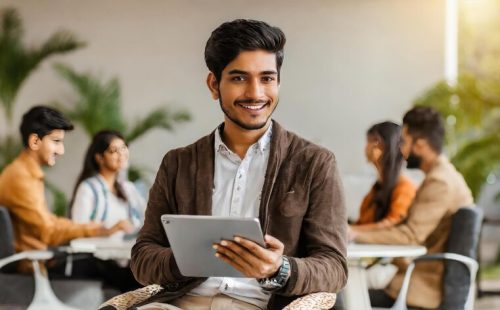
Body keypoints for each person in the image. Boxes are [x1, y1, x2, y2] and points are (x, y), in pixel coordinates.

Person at [130, 19, 347, 310]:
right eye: (238, 78)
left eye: (267, 78)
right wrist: (186, 258)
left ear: (279, 82)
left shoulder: (314, 163)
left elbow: (334, 266)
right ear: (213, 84)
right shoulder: (179, 163)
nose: (256, 93)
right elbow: (142, 256)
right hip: (179, 303)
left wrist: (279, 269)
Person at [350, 106, 474, 309]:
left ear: (421, 144)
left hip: (425, 288)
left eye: (404, 142)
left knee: (344, 299)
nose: (400, 149)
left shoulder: (440, 182)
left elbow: (410, 236)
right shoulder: (442, 175)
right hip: (423, 277)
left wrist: (354, 234)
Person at [0, 106, 125, 273]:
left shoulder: (26, 173)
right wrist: (96, 229)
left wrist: (93, 227)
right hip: (35, 268)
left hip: (42, 261)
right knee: (120, 272)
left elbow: (49, 222)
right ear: (35, 141)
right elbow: (49, 232)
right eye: (56, 141)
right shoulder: (20, 178)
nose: (61, 150)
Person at [70, 130, 145, 232]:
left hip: (126, 247)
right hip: (98, 247)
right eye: (114, 151)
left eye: (123, 147)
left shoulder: (128, 188)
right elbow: (78, 229)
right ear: (100, 158)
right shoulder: (89, 188)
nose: (121, 154)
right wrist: (111, 230)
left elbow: (146, 220)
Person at [351, 121, 416, 232]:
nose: (368, 147)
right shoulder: (377, 187)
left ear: (388, 146)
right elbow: (362, 222)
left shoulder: (405, 188)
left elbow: (393, 225)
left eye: (374, 141)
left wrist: (352, 231)